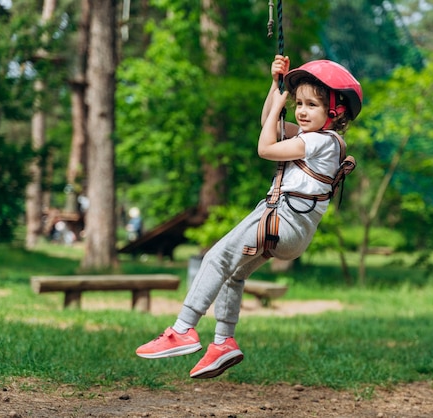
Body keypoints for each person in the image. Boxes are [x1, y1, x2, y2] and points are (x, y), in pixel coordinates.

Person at [135, 55, 363, 379]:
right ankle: (223, 342)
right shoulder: (319, 140)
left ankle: (182, 328)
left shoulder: (318, 141)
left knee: (215, 258)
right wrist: (275, 86)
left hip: (280, 219)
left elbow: (265, 147)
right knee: (234, 274)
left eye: (311, 105)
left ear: (335, 111)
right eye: (299, 103)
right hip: (292, 233)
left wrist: (280, 99)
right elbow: (267, 124)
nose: (301, 110)